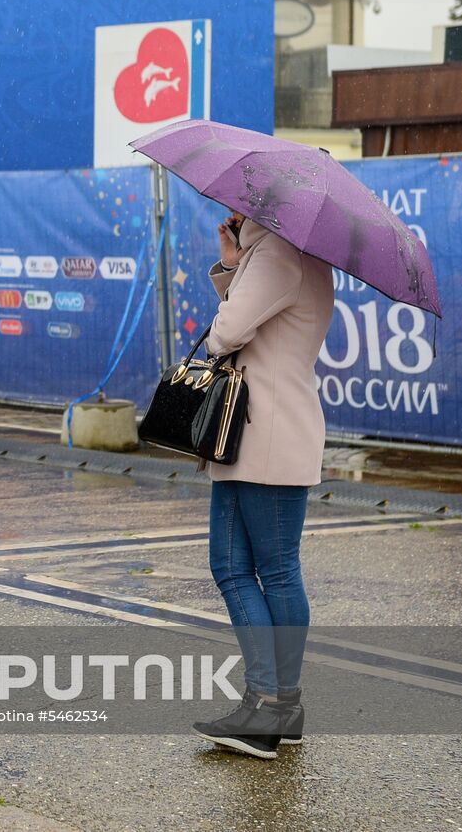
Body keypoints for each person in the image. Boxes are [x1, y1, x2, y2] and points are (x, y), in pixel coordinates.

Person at [191, 211, 334, 759]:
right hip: (253, 436)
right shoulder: (294, 253)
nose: (233, 208)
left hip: (266, 437)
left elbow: (226, 334)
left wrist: (242, 267)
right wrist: (235, 265)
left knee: (266, 570)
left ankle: (268, 703)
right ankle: (281, 705)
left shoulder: (277, 252)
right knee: (243, 567)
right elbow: (258, 320)